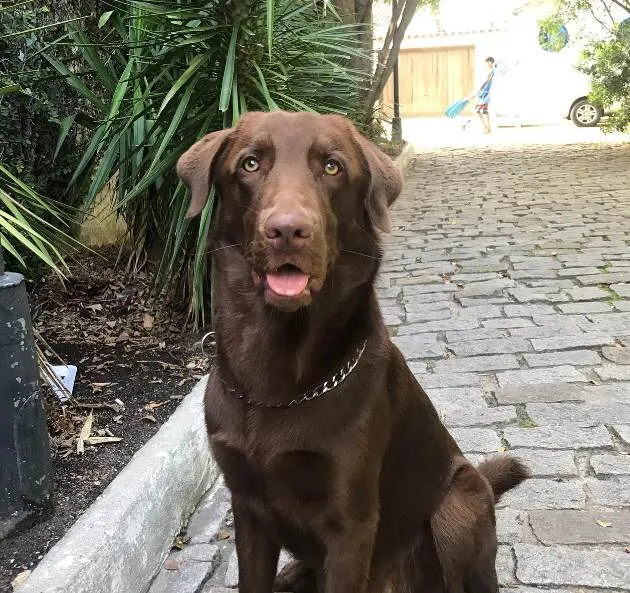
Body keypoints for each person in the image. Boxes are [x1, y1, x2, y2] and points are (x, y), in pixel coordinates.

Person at [470, 56, 496, 134]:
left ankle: (486, 127)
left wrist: (480, 89)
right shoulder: (492, 71)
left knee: (478, 110)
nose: (487, 64)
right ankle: (487, 128)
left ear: (491, 62)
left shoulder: (492, 71)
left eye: (488, 62)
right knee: (484, 111)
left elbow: (487, 81)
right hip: (485, 92)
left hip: (486, 93)